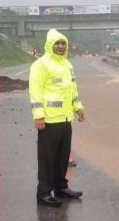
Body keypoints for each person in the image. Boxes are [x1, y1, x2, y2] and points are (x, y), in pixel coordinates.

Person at [29, 29, 85, 208]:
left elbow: (72, 89)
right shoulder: (40, 65)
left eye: (63, 44)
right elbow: (35, 91)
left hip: (66, 119)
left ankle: (61, 188)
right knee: (47, 159)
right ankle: (44, 193)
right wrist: (38, 115)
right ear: (49, 45)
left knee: (62, 158)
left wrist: (78, 107)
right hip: (49, 121)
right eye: (57, 43)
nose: (60, 47)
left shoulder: (68, 65)